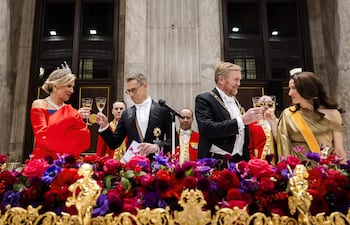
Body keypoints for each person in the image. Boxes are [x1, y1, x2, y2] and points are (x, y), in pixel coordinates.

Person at [195, 61, 263, 161]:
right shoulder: (205, 100)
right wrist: (242, 121)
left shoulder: (235, 101)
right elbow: (207, 129)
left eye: (239, 80)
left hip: (240, 160)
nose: (239, 84)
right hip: (216, 161)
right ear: (221, 80)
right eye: (236, 79)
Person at [96, 73, 172, 159]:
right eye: (128, 91)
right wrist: (105, 127)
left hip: (156, 163)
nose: (131, 95)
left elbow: (173, 140)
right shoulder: (126, 114)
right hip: (132, 166)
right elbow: (114, 143)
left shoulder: (162, 110)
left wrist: (157, 147)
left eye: (133, 90)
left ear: (145, 86)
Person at [277, 71, 347, 164]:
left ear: (306, 89)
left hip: (325, 171)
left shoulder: (333, 114)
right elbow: (283, 146)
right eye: (290, 88)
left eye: (294, 88)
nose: (290, 93)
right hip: (299, 173)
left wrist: (342, 175)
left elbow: (339, 151)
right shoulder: (288, 114)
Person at [30, 62, 91, 159]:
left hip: (67, 160)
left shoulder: (70, 110)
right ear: (55, 86)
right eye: (69, 86)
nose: (72, 91)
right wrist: (71, 118)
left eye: (72, 87)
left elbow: (82, 140)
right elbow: (43, 136)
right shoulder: (39, 104)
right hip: (45, 161)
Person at [248, 95, 278, 161]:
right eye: (261, 105)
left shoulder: (280, 123)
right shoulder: (251, 125)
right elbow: (249, 149)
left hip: (278, 162)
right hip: (259, 161)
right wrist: (255, 162)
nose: (265, 107)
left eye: (269, 104)